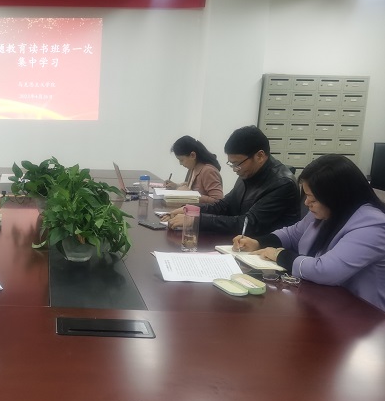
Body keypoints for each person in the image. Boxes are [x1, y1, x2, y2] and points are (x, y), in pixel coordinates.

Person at [233, 154, 385, 311]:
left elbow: (326, 271)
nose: (306, 203)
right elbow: (292, 234)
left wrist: (279, 255)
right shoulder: (330, 211)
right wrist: (258, 242)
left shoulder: (373, 226)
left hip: (364, 315)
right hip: (325, 301)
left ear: (337, 197)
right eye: (307, 196)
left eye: (313, 199)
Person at [166, 125, 299, 234]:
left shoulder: (282, 184)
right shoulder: (248, 173)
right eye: (232, 164)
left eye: (237, 164)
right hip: (240, 242)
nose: (235, 169)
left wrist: (196, 220)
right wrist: (192, 209)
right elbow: (223, 206)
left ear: (259, 156)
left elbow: (248, 223)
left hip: (264, 250)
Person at [164, 135, 224, 204]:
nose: (180, 163)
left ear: (192, 155)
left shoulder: (208, 171)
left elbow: (218, 201)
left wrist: (190, 194)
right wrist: (176, 186)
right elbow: (193, 186)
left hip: (202, 210)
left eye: (181, 160)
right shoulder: (193, 168)